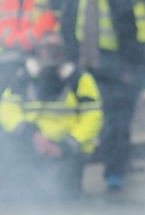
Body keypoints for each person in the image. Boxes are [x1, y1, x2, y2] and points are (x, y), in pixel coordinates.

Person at [49, 0, 144, 191]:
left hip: (111, 62)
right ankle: (78, 171)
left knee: (115, 120)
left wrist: (129, 67)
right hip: (84, 61)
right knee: (87, 115)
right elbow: (59, 9)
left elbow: (126, 25)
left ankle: (115, 173)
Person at [0, 33, 103, 200]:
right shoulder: (23, 76)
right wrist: (31, 133)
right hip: (31, 145)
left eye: (55, 49)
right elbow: (7, 110)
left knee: (64, 197)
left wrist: (66, 145)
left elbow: (93, 117)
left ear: (63, 52)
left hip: (68, 149)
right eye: (45, 48)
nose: (49, 54)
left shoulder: (79, 78)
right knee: (21, 195)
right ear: (38, 51)